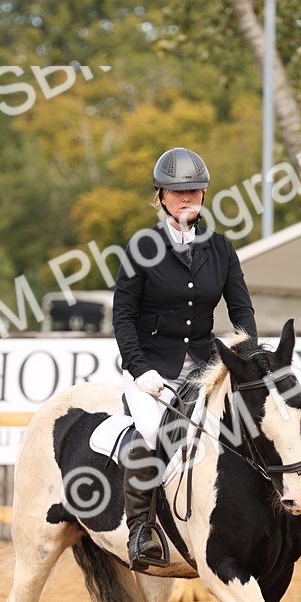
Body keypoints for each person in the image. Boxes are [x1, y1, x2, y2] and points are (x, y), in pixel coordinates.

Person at [112, 146, 257, 570]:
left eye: (193, 190)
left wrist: (247, 352)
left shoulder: (221, 249)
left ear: (204, 194)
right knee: (155, 430)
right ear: (160, 196)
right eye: (177, 192)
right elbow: (122, 316)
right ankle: (140, 530)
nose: (186, 197)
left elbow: (241, 309)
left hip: (204, 367)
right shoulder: (142, 247)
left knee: (242, 424)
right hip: (152, 369)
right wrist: (139, 370)